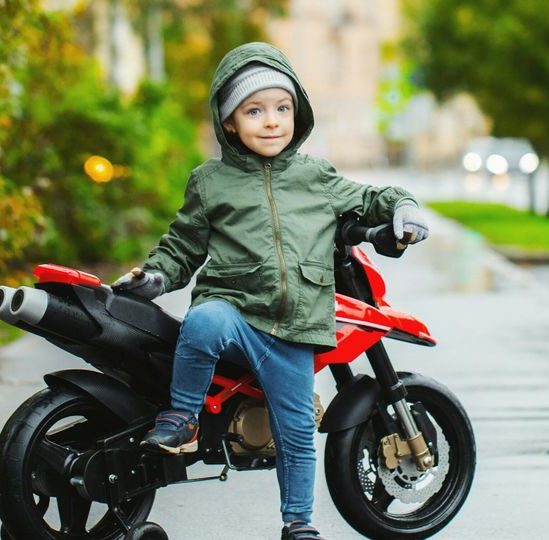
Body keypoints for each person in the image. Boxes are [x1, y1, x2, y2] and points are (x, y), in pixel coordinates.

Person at [113, 42, 428, 540]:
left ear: (297, 114)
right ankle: (183, 419)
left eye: (282, 108)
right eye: (254, 110)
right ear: (229, 123)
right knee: (203, 321)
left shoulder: (315, 176)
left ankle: (298, 524)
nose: (271, 121)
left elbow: (369, 199)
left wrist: (403, 207)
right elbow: (182, 245)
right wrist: (154, 278)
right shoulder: (210, 181)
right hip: (235, 311)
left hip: (295, 326)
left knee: (298, 430)